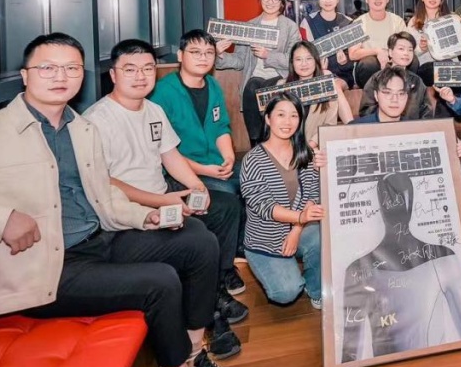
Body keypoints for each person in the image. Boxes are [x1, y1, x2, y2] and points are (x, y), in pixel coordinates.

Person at [0, 33, 242, 367]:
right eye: (48, 68)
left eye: (72, 68)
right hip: (44, 267)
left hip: (99, 240)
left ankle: (194, 352)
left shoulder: (82, 130)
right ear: (25, 75)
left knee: (197, 240)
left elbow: (104, 197)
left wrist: (145, 217)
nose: (61, 76)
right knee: (160, 281)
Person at [84, 38, 243, 358]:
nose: (140, 76)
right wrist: (162, 201)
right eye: (130, 69)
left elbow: (170, 156)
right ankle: (207, 318)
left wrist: (196, 186)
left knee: (225, 206)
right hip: (126, 215)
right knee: (198, 240)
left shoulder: (153, 110)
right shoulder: (96, 120)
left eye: (147, 69)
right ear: (113, 74)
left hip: (162, 196)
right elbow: (105, 182)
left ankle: (216, 286)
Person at [151, 30, 249, 304]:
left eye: (209, 53)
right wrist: (204, 170)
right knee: (227, 195)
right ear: (180, 55)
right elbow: (164, 150)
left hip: (214, 162)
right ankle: (224, 268)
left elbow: (221, 127)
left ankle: (242, 247)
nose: (203, 58)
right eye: (195, 52)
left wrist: (228, 157)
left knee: (252, 179)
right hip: (183, 170)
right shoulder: (163, 93)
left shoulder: (213, 86)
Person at [340, 171, 461, 363]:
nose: (395, 205)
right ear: (381, 206)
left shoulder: (443, 257)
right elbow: (350, 351)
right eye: (390, 199)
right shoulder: (358, 269)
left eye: (400, 198)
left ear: (412, 203)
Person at [239, 94, 324, 308]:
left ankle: (316, 289)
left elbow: (312, 194)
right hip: (265, 239)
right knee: (286, 292)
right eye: (281, 115)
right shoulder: (253, 159)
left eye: (294, 115)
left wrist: (296, 229)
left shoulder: (305, 153)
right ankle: (284, 270)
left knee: (322, 236)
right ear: (268, 118)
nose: (288, 122)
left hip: (298, 228)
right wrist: (300, 217)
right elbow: (264, 206)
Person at [214, 0, 302, 146]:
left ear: (282, 3)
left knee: (260, 88)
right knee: (252, 86)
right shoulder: (249, 26)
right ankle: (256, 144)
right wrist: (218, 54)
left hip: (280, 76)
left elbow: (294, 59)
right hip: (255, 78)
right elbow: (240, 60)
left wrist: (268, 55)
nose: (270, 2)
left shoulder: (290, 27)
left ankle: (269, 143)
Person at [278, 41, 355, 148]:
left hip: (314, 148)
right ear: (292, 63)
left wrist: (310, 146)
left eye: (309, 58)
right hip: (287, 147)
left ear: (316, 60)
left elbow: (329, 123)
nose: (304, 64)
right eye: (298, 59)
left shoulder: (327, 86)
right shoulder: (281, 86)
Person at [348, 0, 409, 87]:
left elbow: (406, 48)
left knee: (412, 61)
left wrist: (389, 56)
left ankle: (403, 91)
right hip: (368, 69)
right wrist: (377, 51)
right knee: (369, 63)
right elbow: (353, 54)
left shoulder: (397, 21)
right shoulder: (358, 23)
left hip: (393, 63)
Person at [359, 33, 433, 121]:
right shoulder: (377, 78)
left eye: (410, 50)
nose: (406, 53)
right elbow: (366, 110)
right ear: (390, 52)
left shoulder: (417, 81)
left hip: (412, 128)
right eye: (401, 49)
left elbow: (426, 113)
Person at [301, 0, 355, 88]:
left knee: (334, 86)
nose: (328, 0)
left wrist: (345, 62)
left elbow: (354, 57)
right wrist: (318, 66)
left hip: (342, 76)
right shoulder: (307, 22)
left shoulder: (348, 22)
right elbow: (304, 54)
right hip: (315, 74)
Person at [406, 0, 457, 86]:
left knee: (448, 66)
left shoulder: (451, 19)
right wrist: (422, 48)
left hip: (450, 64)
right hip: (425, 66)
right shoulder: (414, 22)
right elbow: (408, 52)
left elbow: (459, 46)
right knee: (440, 69)